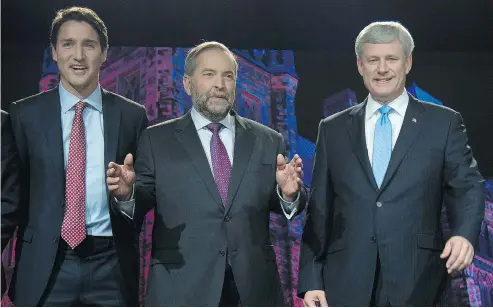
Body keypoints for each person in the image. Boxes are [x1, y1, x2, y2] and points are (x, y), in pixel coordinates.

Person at [298, 21, 485, 306]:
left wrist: (464, 235)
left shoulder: (443, 123)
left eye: (391, 59)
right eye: (373, 60)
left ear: (407, 62)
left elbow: (468, 186)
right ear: (360, 65)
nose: (382, 69)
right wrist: (312, 280)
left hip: (419, 279)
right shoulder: (332, 129)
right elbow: (319, 210)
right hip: (346, 283)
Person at [106, 41, 307, 306]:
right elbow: (140, 202)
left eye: (228, 76)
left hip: (253, 291)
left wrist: (289, 193)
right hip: (181, 288)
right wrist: (126, 194)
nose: (220, 84)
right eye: (209, 74)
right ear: (188, 84)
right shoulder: (156, 139)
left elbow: (284, 204)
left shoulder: (268, 139)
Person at [3, 7, 148, 306]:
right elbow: (10, 196)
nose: (78, 55)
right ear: (55, 52)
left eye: (89, 45)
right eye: (68, 44)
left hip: (112, 264)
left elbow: (147, 192)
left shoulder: (132, 116)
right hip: (45, 263)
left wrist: (127, 195)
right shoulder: (23, 115)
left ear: (104, 53)